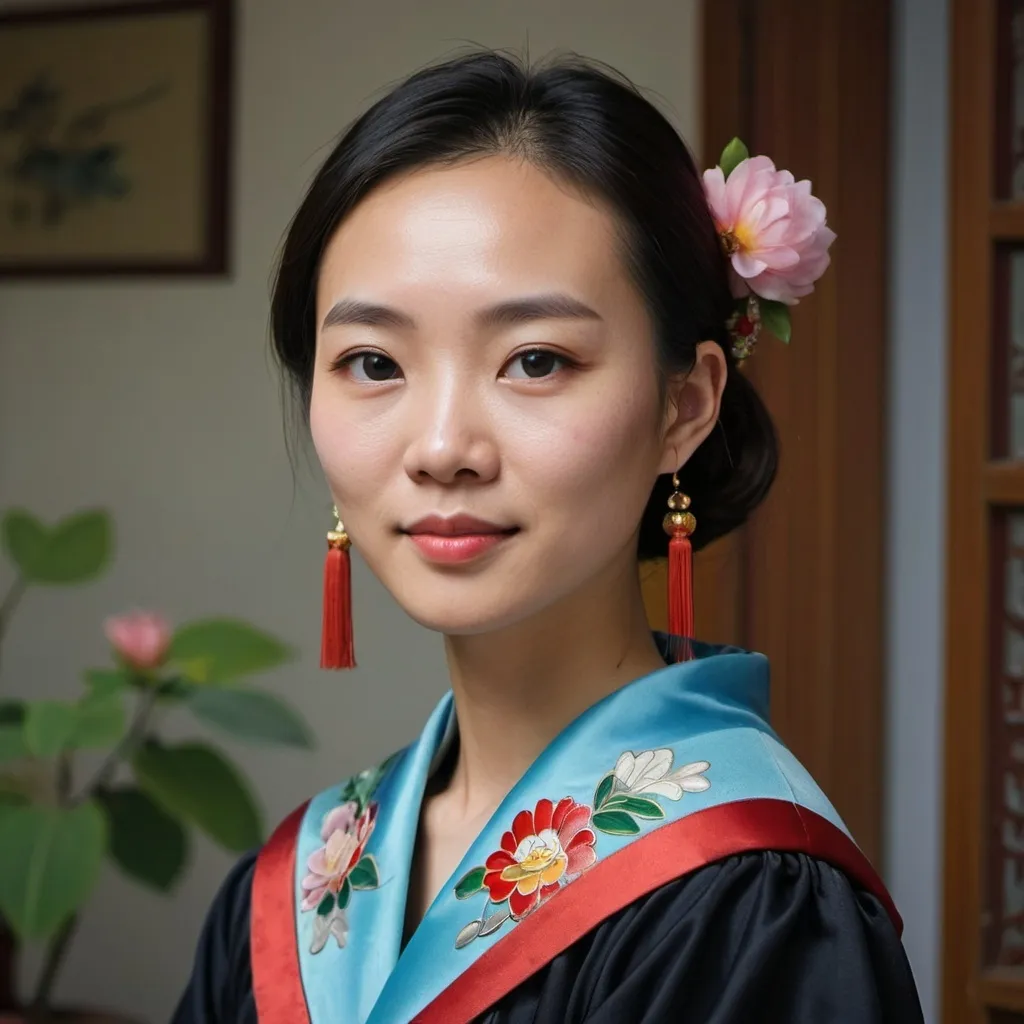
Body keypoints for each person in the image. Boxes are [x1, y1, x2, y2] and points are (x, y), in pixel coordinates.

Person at [171, 50, 924, 1023]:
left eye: (534, 360)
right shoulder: (292, 891)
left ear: (684, 404)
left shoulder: (754, 900)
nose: (442, 447)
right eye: (371, 361)